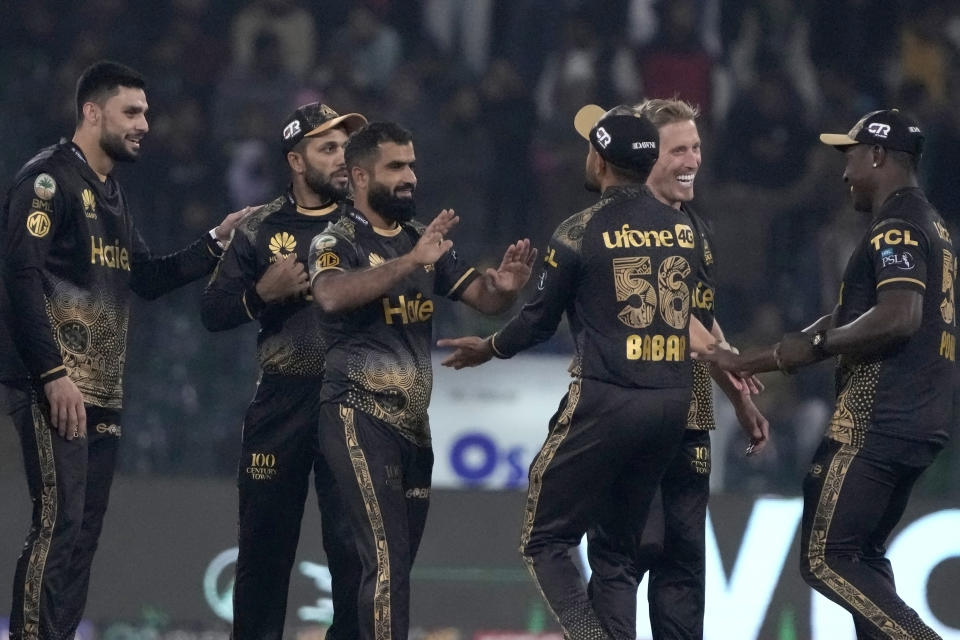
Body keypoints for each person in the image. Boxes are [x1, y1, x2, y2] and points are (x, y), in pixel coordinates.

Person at [439, 105, 711, 638]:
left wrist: (489, 346)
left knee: (543, 539)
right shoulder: (684, 231)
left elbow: (537, 323)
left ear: (600, 159)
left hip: (607, 400)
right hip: (672, 404)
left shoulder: (580, 230)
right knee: (616, 549)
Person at [0, 60, 247, 640]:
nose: (145, 124)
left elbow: (150, 277)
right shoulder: (48, 181)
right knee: (58, 524)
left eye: (147, 114)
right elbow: (18, 277)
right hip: (54, 385)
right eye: (132, 112)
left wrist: (218, 240)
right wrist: (52, 373)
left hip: (102, 391)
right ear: (92, 111)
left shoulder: (110, 192)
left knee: (83, 531)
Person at [696, 109, 954, 639]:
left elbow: (899, 316)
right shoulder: (929, 223)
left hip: (879, 421)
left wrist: (813, 343)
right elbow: (846, 320)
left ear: (879, 155)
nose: (843, 173)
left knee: (826, 556)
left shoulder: (899, 225)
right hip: (917, 418)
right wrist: (754, 358)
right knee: (863, 557)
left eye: (852, 156)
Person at [307, 121, 536, 640]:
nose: (411, 176)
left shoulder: (418, 238)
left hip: (413, 426)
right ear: (359, 176)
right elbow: (330, 295)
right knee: (384, 568)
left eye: (411, 164)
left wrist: (505, 288)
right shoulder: (336, 238)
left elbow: (483, 300)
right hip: (356, 415)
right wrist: (410, 262)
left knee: (394, 572)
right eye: (396, 167)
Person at [583, 98, 769, 640]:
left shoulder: (694, 229)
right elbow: (666, 318)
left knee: (683, 568)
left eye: (697, 148)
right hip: (627, 414)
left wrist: (738, 396)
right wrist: (723, 359)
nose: (692, 160)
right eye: (678, 149)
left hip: (688, 421)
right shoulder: (619, 227)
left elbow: (702, 321)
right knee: (619, 561)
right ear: (645, 158)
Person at [201, 103, 366, 640]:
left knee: (354, 555)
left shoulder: (371, 222)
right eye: (329, 148)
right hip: (281, 403)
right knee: (263, 554)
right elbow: (214, 311)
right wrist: (261, 295)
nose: (343, 158)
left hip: (351, 401)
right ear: (296, 160)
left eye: (346, 146)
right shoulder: (259, 227)